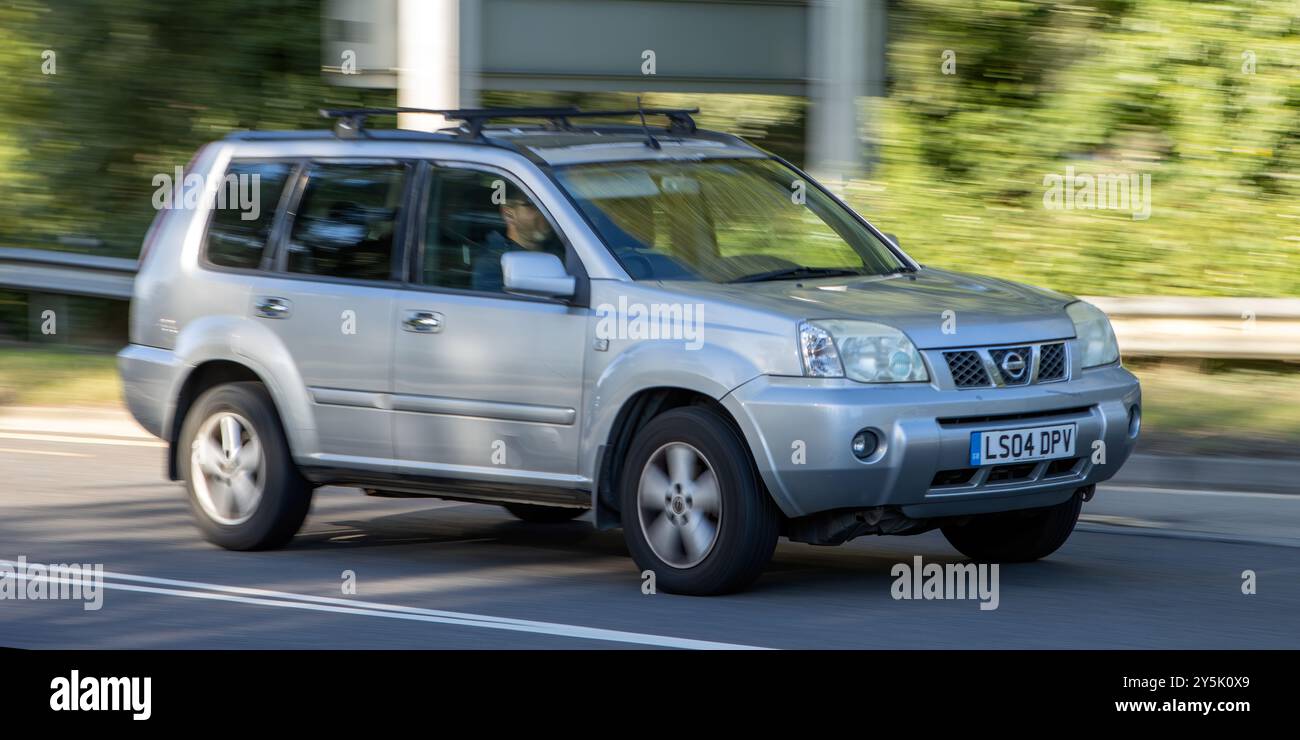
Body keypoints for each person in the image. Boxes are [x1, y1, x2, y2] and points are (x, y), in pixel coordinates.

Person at [471, 186, 565, 292]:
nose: (546, 210)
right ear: (508, 213)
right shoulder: (493, 264)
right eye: (532, 204)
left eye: (548, 203)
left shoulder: (569, 248)